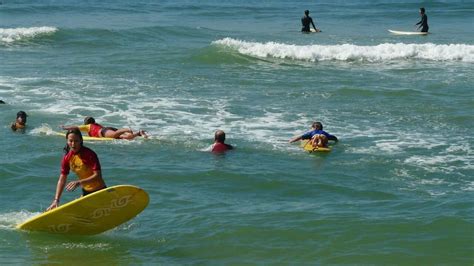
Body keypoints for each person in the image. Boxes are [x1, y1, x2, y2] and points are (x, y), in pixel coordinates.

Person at [47, 129, 107, 211]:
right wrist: (56, 200)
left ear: (81, 141)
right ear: (67, 141)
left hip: (99, 192)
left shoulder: (89, 154)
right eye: (70, 141)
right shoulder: (67, 158)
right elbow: (62, 180)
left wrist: (79, 182)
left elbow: (98, 176)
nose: (73, 144)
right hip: (86, 193)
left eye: (76, 141)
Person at [61, 116, 147, 140]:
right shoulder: (96, 124)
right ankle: (139, 133)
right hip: (107, 130)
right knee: (128, 138)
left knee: (114, 135)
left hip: (104, 132)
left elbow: (75, 127)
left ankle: (126, 129)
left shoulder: (88, 126)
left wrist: (65, 128)